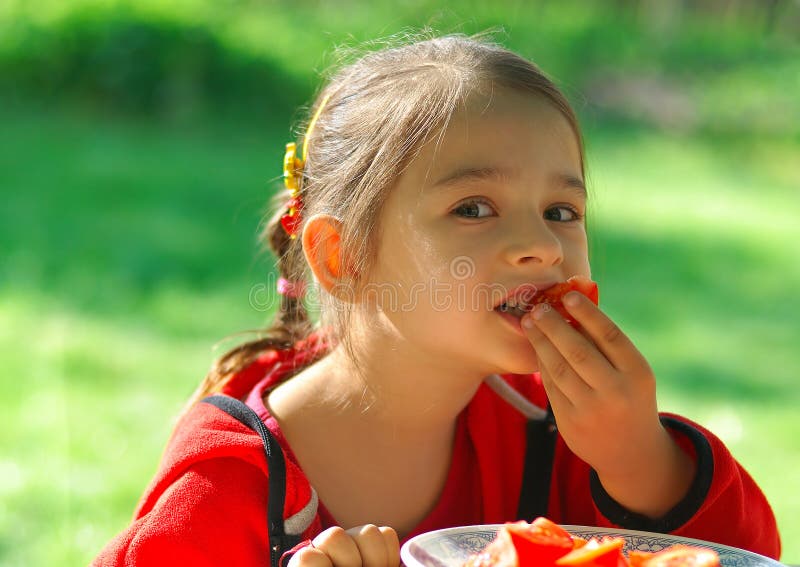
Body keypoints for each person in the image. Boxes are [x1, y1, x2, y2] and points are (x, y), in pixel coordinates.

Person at [93, 34, 781, 567]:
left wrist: (641, 459)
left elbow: (749, 550)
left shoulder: (555, 435)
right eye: (475, 207)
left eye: (562, 210)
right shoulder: (230, 484)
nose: (541, 245)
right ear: (345, 258)